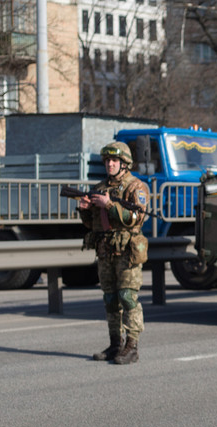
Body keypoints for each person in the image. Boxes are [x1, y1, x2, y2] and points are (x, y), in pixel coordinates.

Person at [77, 142, 150, 365]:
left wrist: (109, 205)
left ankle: (132, 346)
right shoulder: (100, 188)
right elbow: (92, 224)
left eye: (115, 161)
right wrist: (84, 210)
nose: (110, 164)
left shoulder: (136, 187)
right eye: (107, 161)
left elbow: (136, 218)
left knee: (127, 296)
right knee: (110, 298)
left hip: (127, 252)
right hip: (105, 250)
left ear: (124, 163)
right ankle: (115, 344)